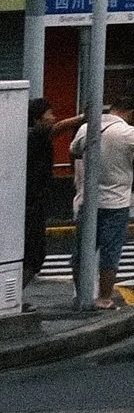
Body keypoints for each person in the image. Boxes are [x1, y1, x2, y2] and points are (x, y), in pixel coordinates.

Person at [65, 100, 134, 308]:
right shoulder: (128, 132)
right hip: (116, 202)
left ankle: (81, 294)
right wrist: (130, 155)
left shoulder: (86, 128)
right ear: (128, 112)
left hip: (89, 202)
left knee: (82, 251)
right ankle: (104, 298)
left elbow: (74, 150)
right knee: (110, 252)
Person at [22, 91, 57, 287]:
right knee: (34, 255)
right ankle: (10, 298)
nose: (53, 118)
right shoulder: (36, 140)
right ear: (36, 119)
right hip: (31, 206)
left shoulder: (31, 138)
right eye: (49, 114)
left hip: (31, 204)